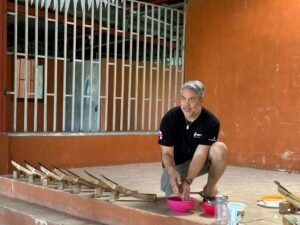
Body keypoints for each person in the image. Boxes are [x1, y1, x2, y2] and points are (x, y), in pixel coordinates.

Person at [158, 80, 227, 200]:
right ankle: (174, 178)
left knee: (220, 148)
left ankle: (209, 190)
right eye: (183, 99)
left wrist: (188, 181)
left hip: (200, 161)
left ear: (201, 100)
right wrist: (171, 170)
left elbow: (200, 154)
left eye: (191, 100)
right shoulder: (170, 118)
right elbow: (167, 153)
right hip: (177, 164)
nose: (186, 104)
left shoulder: (211, 122)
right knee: (175, 195)